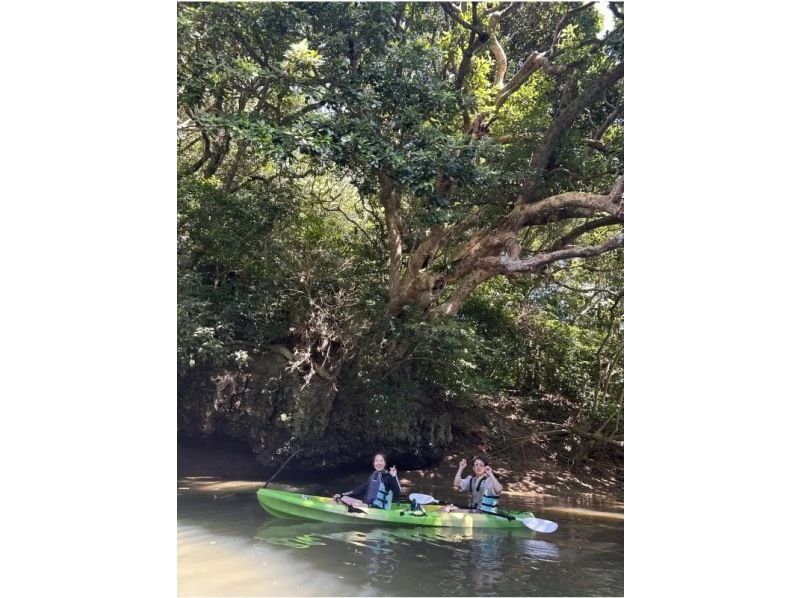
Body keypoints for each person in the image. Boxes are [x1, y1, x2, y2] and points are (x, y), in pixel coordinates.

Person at [333, 453, 402, 510]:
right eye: (377, 461)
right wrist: (342, 494)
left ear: (385, 463)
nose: (379, 463)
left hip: (379, 509)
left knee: (353, 505)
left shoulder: (388, 477)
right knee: (343, 498)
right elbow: (358, 490)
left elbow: (398, 492)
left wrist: (394, 476)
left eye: (381, 461)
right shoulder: (373, 476)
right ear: (374, 463)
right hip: (368, 506)